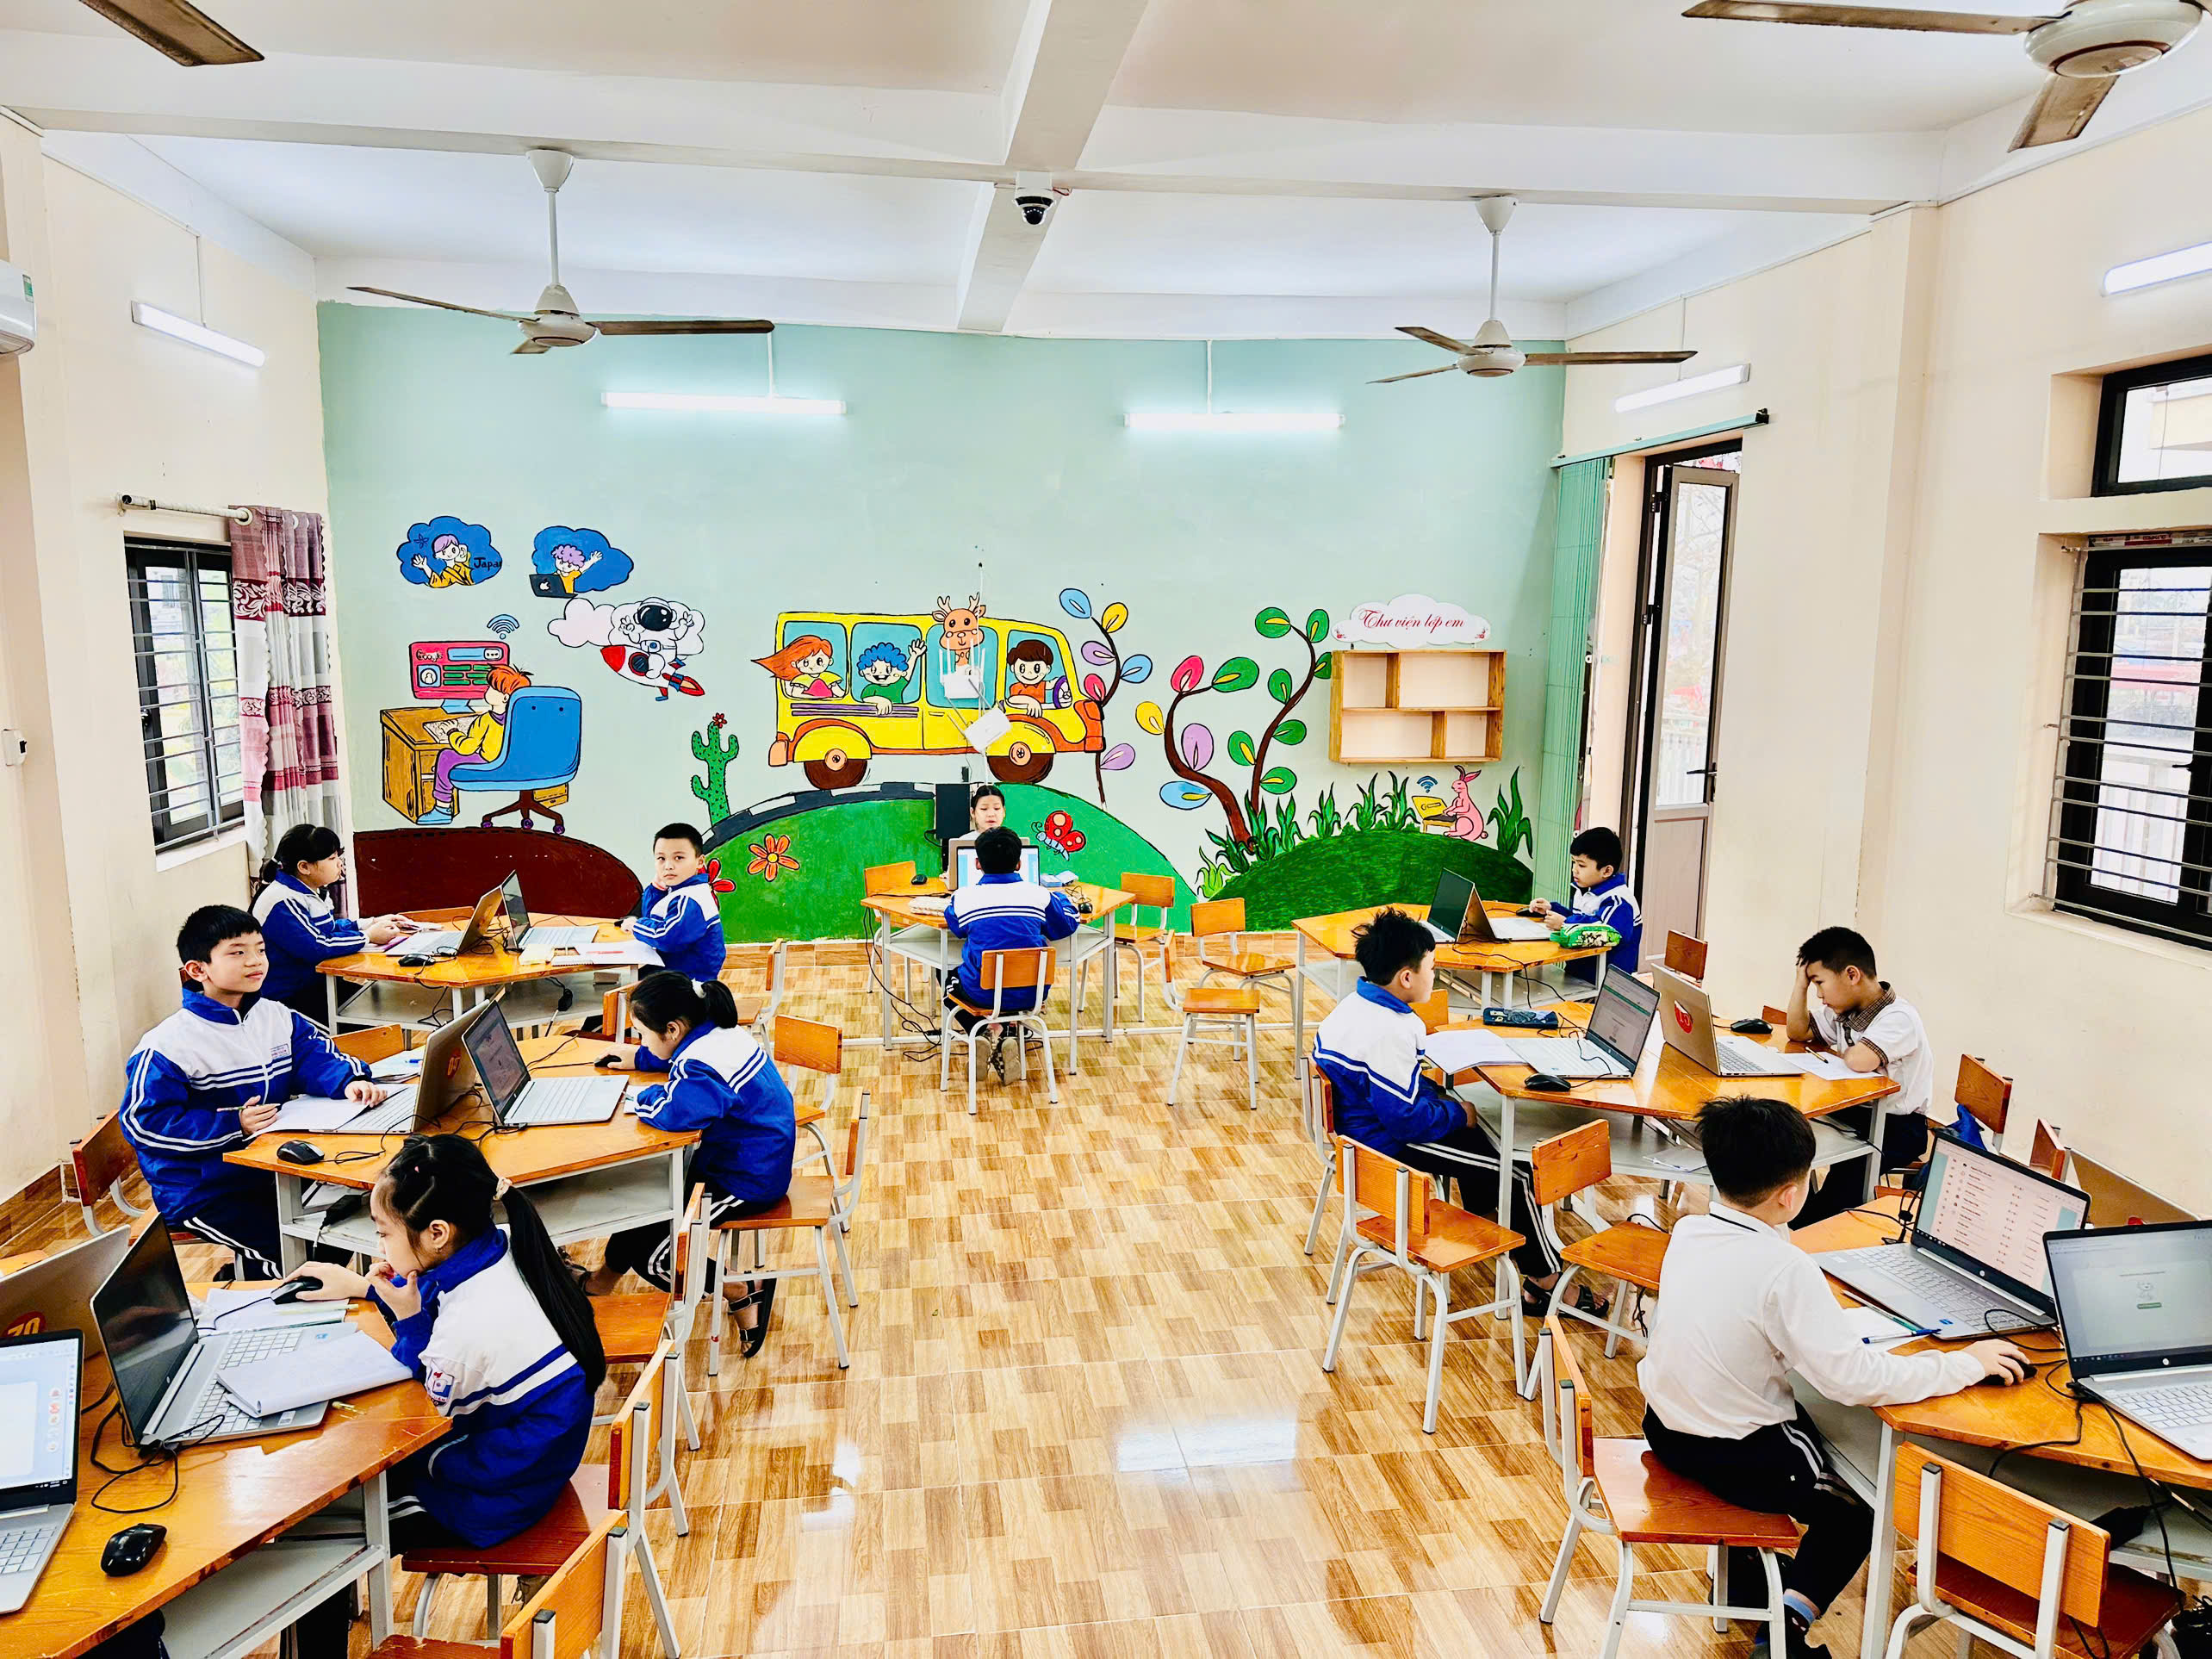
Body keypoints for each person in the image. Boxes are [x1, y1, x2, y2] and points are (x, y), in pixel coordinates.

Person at [1639, 1097, 2029, 1659]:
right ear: (1790, 1194)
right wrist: (1968, 1364)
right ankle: (1785, 1631)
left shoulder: (1691, 1231)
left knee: (1819, 1424)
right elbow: (1852, 1381)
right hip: (1733, 1454)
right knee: (1863, 1501)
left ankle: (1748, 1578)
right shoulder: (1785, 1268)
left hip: (1665, 1427)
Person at [291, 1134, 605, 1642]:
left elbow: (419, 1414)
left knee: (317, 1531)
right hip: (534, 1451)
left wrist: (409, 1324)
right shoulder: (499, 1245)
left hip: (496, 1492)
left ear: (437, 1232)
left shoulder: (466, 1336)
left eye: (384, 1233)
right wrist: (366, 1288)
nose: (379, 1247)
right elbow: (435, 1300)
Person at [1310, 907, 1567, 1303]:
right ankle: (1547, 1284)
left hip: (1360, 1131)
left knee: (1480, 1137)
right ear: (1406, 977)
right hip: (1384, 1146)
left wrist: (1448, 1106)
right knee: (1514, 1173)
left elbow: (1399, 1089)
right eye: (1432, 968)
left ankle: (1488, 1225)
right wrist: (1456, 1112)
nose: (1436, 975)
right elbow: (1406, 1122)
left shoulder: (1353, 1006)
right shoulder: (1391, 1030)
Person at [119, 905, 387, 1277]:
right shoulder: (167, 1045)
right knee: (296, 1259)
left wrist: (348, 1081)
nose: (255, 961)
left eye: (260, 949)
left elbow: (314, 1055)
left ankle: (242, 1279)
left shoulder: (275, 1015)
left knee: (340, 1230)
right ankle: (247, 1290)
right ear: (198, 970)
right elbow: (143, 1123)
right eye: (237, 952)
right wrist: (235, 1125)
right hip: (204, 1189)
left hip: (271, 1169)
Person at [584, 972, 797, 1355]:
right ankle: (600, 1283)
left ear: (672, 1029)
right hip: (750, 1158)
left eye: (641, 1035)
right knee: (641, 1201)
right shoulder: (716, 1033)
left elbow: (676, 1113)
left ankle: (742, 1288)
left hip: (746, 1181)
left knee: (652, 1256)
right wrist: (640, 1058)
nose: (639, 1042)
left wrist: (634, 1098)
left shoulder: (699, 1066)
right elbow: (681, 1062)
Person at [1786, 925, 1938, 1228]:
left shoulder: (1899, 1018)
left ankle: (1809, 1230)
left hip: (1897, 1128)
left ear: (1852, 975)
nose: (1819, 995)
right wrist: (1799, 986)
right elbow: (1797, 1031)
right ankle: (1794, 1219)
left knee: (1843, 1188)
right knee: (1786, 1137)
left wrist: (1840, 1051)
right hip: (1856, 1114)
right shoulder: (1846, 1009)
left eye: (1820, 983)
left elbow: (1859, 1060)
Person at [250, 823, 415, 1022]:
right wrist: (368, 937)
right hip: (287, 998)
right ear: (304, 867)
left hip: (316, 984)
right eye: (332, 858)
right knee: (373, 1019)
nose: (339, 863)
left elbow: (329, 929)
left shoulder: (313, 890)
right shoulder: (282, 900)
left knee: (385, 1003)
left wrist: (371, 922)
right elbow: (317, 946)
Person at [943, 824, 1078, 1033]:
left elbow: (957, 928)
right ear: (1019, 864)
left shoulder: (964, 898)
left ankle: (981, 1034)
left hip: (982, 993)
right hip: (1033, 993)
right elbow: (1066, 924)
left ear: (978, 863)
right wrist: (1060, 898)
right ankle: (1007, 1032)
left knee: (948, 983)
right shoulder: (1040, 895)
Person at [1528, 826, 1643, 984]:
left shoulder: (1619, 901)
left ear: (1606, 871)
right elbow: (1582, 918)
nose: (1574, 870)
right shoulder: (1586, 889)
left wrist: (1565, 924)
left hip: (1602, 983)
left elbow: (1609, 934)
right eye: (1574, 863)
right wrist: (1551, 909)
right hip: (1579, 974)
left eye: (1581, 865)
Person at [420, 663, 529, 825]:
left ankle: (442, 809)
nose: (487, 689)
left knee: (446, 756)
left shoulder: (486, 720)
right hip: (516, 766)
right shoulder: (522, 720)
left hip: (490, 763)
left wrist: (452, 732)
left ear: (505, 698)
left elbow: (466, 748)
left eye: (492, 688)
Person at [621, 822, 729, 980]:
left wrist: (636, 926)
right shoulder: (679, 890)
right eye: (661, 858)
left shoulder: (690, 898)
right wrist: (657, 889)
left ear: (700, 862)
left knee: (620, 983)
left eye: (678, 858)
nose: (668, 866)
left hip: (688, 981)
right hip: (674, 969)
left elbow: (667, 938)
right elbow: (653, 917)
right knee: (624, 979)